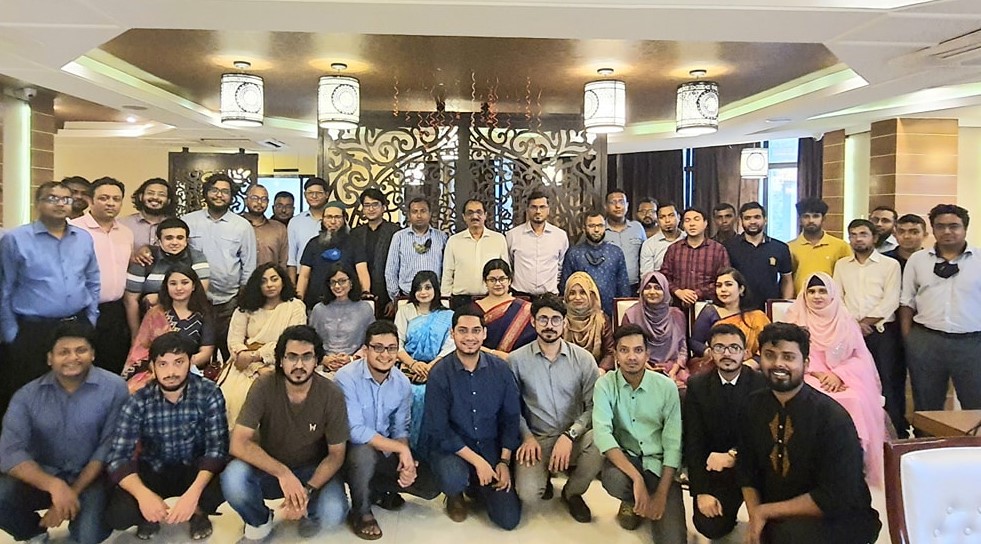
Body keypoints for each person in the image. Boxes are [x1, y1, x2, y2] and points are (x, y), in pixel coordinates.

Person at [740, 322, 882, 544]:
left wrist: (765, 512)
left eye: (788, 357)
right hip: (780, 512)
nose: (778, 364)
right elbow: (747, 469)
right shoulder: (752, 406)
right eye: (769, 355)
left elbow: (836, 496)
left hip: (840, 518)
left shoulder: (831, 418)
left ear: (805, 363)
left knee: (785, 536)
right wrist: (755, 516)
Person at [0, 322, 128, 544]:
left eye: (81, 350)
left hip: (91, 478)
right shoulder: (26, 396)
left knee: (88, 536)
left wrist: (72, 492)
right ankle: (33, 531)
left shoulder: (115, 387)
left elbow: (108, 446)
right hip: (44, 475)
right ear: (50, 358)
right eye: (63, 352)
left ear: (93, 354)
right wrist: (54, 486)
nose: (72, 358)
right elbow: (9, 452)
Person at [221, 325, 350, 542]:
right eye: (291, 357)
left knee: (333, 514)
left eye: (306, 357)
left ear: (317, 360)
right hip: (270, 467)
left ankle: (307, 510)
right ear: (280, 360)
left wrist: (306, 491)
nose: (299, 365)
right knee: (233, 479)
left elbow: (336, 455)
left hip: (312, 471)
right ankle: (260, 521)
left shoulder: (332, 394)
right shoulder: (264, 385)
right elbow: (238, 443)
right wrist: (283, 473)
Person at [104, 333, 228, 540]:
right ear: (152, 367)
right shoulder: (138, 400)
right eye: (163, 364)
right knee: (118, 514)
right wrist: (143, 495)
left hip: (194, 469)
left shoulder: (209, 392)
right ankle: (150, 514)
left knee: (226, 481)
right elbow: (117, 457)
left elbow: (217, 449)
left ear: (190, 362)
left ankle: (198, 512)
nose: (171, 372)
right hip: (154, 470)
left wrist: (193, 495)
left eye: (179, 362)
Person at [0, 182, 100, 422]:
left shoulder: (83, 238)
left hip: (76, 325)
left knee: (76, 389)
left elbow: (93, 280)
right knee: (30, 393)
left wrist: (91, 318)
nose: (60, 204)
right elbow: (4, 288)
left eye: (66, 199)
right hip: (33, 329)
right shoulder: (15, 239)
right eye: (52, 198)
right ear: (38, 203)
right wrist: (11, 334)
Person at [336, 320, 440, 540]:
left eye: (391, 348)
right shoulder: (346, 377)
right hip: (348, 453)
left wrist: (405, 461)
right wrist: (401, 450)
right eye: (378, 348)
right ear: (365, 350)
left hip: (383, 449)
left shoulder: (402, 382)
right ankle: (361, 512)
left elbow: (400, 428)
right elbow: (355, 430)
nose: (385, 355)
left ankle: (375, 490)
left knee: (430, 485)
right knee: (363, 454)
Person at [423, 306, 522, 529]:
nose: (469, 337)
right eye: (463, 330)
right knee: (453, 477)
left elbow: (511, 417)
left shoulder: (500, 369)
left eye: (476, 330)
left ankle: (477, 487)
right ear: (452, 333)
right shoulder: (439, 373)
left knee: (508, 520)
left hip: (490, 446)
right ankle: (455, 494)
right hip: (453, 449)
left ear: (484, 334)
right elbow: (439, 429)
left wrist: (504, 462)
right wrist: (478, 462)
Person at [785, 273, 886, 486]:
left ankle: (852, 460)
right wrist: (819, 373)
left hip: (842, 376)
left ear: (832, 294)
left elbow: (860, 357)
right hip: (806, 375)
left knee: (854, 399)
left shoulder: (845, 320)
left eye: (822, 291)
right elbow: (787, 355)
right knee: (812, 397)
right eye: (811, 291)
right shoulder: (794, 318)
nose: (817, 296)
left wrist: (838, 374)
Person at [510, 295, 602, 522]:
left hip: (574, 436)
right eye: (543, 319)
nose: (549, 325)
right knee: (528, 494)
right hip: (537, 439)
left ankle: (572, 493)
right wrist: (527, 437)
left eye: (555, 319)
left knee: (601, 442)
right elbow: (511, 409)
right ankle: (544, 476)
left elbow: (595, 406)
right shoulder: (516, 360)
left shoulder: (584, 359)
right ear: (533, 322)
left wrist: (570, 435)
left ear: (565, 322)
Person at [593, 324, 686, 543]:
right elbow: (603, 435)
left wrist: (661, 494)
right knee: (614, 479)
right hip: (628, 460)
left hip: (659, 464)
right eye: (624, 350)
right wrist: (637, 479)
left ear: (647, 354)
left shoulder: (666, 387)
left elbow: (673, 443)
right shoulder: (604, 385)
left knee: (673, 540)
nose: (631, 357)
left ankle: (650, 497)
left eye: (638, 350)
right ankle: (632, 500)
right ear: (615, 354)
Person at [683, 323, 766, 541]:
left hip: (757, 467)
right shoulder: (697, 385)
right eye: (720, 347)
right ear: (710, 352)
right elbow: (694, 441)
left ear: (745, 352)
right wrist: (701, 491)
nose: (727, 354)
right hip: (719, 472)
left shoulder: (762, 385)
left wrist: (733, 455)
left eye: (734, 348)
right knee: (709, 525)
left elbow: (765, 437)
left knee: (775, 531)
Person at [900, 204, 981, 411]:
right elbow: (907, 301)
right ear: (933, 229)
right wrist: (909, 338)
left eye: (954, 226)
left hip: (972, 343)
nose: (946, 231)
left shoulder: (979, 260)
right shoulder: (918, 260)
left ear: (965, 228)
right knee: (926, 405)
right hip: (927, 340)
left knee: (975, 405)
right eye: (940, 226)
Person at [834, 219, 905, 436]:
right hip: (850, 332)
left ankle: (892, 434)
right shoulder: (842, 265)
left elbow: (891, 300)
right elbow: (838, 298)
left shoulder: (890, 265)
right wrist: (854, 325)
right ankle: (860, 430)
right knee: (854, 381)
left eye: (863, 234)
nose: (858, 239)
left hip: (881, 333)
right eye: (853, 235)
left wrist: (865, 323)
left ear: (874, 238)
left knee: (886, 382)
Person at [182, 173, 257, 363]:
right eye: (214, 190)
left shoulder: (242, 226)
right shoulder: (189, 221)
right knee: (197, 350)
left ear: (231, 196)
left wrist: (243, 297)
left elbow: (248, 264)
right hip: (195, 298)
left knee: (230, 351)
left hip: (229, 300)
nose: (219, 195)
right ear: (206, 193)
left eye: (225, 191)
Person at [220, 263, 307, 426]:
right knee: (233, 397)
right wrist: (256, 367)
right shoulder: (245, 309)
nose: (269, 285)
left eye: (274, 279)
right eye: (263, 281)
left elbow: (292, 342)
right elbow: (234, 342)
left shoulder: (295, 307)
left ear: (283, 281)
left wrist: (258, 355)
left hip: (283, 363)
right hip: (244, 364)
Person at [69, 177, 134, 374]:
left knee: (112, 367)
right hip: (80, 311)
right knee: (80, 368)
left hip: (115, 312)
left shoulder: (126, 232)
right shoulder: (72, 229)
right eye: (104, 198)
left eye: (116, 199)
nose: (110, 203)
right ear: (91, 200)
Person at [122, 266, 216, 390]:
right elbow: (141, 350)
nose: (179, 288)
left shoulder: (203, 314)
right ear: (166, 286)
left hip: (191, 370)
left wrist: (182, 364)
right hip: (155, 371)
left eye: (184, 283)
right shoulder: (154, 314)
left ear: (193, 286)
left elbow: (206, 352)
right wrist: (161, 367)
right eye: (173, 283)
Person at [123, 217, 211, 340]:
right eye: (169, 238)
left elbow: (199, 294)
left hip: (189, 323)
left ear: (187, 240)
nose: (174, 242)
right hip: (149, 325)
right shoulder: (144, 260)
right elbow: (130, 301)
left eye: (180, 238)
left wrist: (158, 297)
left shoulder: (197, 257)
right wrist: (136, 336)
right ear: (159, 241)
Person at [621, 272, 689, 388]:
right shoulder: (631, 315)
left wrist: (673, 371)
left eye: (658, 288)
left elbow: (682, 349)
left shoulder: (677, 315)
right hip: (640, 368)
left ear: (665, 291)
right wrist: (648, 369)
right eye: (648, 287)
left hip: (672, 368)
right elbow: (627, 350)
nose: (652, 292)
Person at [690, 268, 772, 361]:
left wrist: (753, 362)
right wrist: (709, 352)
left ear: (741, 289)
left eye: (728, 284)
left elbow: (768, 345)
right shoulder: (710, 312)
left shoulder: (757, 316)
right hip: (719, 362)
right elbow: (695, 342)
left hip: (752, 364)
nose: (723, 289)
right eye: (719, 286)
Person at [724, 201, 794, 310]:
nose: (752, 222)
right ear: (741, 221)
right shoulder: (729, 247)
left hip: (770, 308)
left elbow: (787, 280)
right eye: (747, 218)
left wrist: (785, 307)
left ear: (765, 220)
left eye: (757, 217)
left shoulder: (780, 248)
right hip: (738, 308)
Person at [441, 199, 509, 309]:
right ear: (464, 217)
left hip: (491, 299)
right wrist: (445, 302)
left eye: (479, 212)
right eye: (470, 213)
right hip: (461, 301)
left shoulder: (498, 239)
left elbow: (505, 272)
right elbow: (447, 274)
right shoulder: (454, 241)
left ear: (485, 215)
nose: (475, 216)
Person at [561, 211, 630, 316]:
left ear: (605, 227)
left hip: (611, 312)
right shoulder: (574, 253)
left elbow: (623, 287)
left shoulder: (616, 252)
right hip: (581, 313)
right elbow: (565, 287)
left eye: (600, 225)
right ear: (584, 228)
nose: (596, 230)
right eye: (592, 226)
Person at [308, 264, 375, 374]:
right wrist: (324, 359)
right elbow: (311, 341)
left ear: (351, 282)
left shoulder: (365, 308)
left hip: (357, 365)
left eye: (342, 281)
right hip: (323, 366)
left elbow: (371, 341)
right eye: (333, 282)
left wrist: (352, 359)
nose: (337, 286)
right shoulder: (319, 309)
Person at [661, 207, 731, 307]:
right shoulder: (674, 249)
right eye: (687, 220)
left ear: (705, 223)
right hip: (678, 304)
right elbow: (664, 276)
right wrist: (678, 291)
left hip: (708, 305)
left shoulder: (718, 249)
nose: (692, 224)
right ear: (683, 225)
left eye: (696, 219)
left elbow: (724, 278)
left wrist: (698, 293)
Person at [384, 197, 449, 305]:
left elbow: (447, 269)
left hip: (435, 297)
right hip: (406, 296)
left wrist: (443, 295)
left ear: (430, 214)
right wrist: (396, 297)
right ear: (409, 215)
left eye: (423, 211)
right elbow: (391, 270)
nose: (419, 215)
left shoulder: (441, 237)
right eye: (415, 212)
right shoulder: (399, 237)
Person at [396, 270, 455, 385]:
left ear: (435, 289)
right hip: (408, 365)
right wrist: (413, 364)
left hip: (439, 366)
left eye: (428, 288)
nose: (423, 292)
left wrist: (430, 367)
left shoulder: (448, 315)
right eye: (418, 289)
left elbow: (450, 347)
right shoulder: (404, 311)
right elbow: (397, 342)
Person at [505, 190, 569, 296]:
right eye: (533, 207)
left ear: (548, 210)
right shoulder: (513, 235)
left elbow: (560, 266)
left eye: (542, 207)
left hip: (549, 296)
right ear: (527, 209)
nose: (538, 211)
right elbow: (510, 264)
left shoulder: (560, 236)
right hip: (521, 295)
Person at [350, 188, 401, 318]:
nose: (371, 209)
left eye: (375, 204)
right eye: (367, 205)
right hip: (360, 293)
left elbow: (400, 266)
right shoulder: (355, 233)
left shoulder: (395, 232)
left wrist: (393, 299)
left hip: (386, 293)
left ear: (383, 207)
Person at [474, 259, 536, 359]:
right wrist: (492, 353)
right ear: (485, 281)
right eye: (492, 280)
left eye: (502, 279)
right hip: (482, 361)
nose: (498, 284)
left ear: (509, 280)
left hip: (518, 362)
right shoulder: (474, 309)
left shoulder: (525, 309)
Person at [296, 201, 353, 310]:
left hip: (347, 304)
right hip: (316, 304)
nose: (333, 221)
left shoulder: (354, 243)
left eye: (337, 217)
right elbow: (304, 276)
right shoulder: (313, 243)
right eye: (329, 217)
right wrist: (299, 301)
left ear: (345, 219)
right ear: (322, 219)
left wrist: (365, 293)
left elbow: (362, 271)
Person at [788, 198, 851, 295]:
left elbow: (847, 277)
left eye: (816, 216)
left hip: (831, 299)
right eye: (806, 216)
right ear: (800, 220)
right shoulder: (790, 247)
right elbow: (787, 280)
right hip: (799, 299)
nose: (811, 220)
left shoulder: (841, 246)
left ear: (823, 219)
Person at [563, 272, 615, 372]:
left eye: (583, 292)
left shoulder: (602, 320)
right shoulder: (561, 319)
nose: (577, 297)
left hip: (596, 372)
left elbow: (610, 352)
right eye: (572, 293)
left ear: (591, 295)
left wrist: (601, 369)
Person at [602, 190, 647, 290]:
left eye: (621, 202)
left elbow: (645, 255)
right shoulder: (599, 229)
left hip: (634, 285)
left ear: (627, 205)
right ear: (606, 206)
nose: (618, 206)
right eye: (613, 202)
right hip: (606, 286)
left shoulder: (637, 228)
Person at [288, 177, 330, 284]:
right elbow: (291, 259)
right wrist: (292, 286)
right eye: (310, 193)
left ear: (327, 195)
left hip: (330, 278)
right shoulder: (295, 222)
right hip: (301, 277)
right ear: (304, 195)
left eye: (319, 193)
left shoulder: (336, 221)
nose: (314, 196)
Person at [119, 178, 175, 250]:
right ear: (140, 197)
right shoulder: (123, 224)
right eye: (150, 193)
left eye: (161, 194)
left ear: (168, 201)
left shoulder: (175, 226)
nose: (155, 197)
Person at [242, 183, 288, 269]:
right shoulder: (236, 225)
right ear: (246, 200)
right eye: (255, 198)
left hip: (270, 277)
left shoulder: (279, 229)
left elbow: (283, 262)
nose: (259, 202)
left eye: (264, 199)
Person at [639, 201, 685, 274]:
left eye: (671, 215)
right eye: (662, 217)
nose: (667, 220)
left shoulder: (687, 238)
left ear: (678, 217)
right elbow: (647, 275)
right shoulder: (649, 244)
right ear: (658, 221)